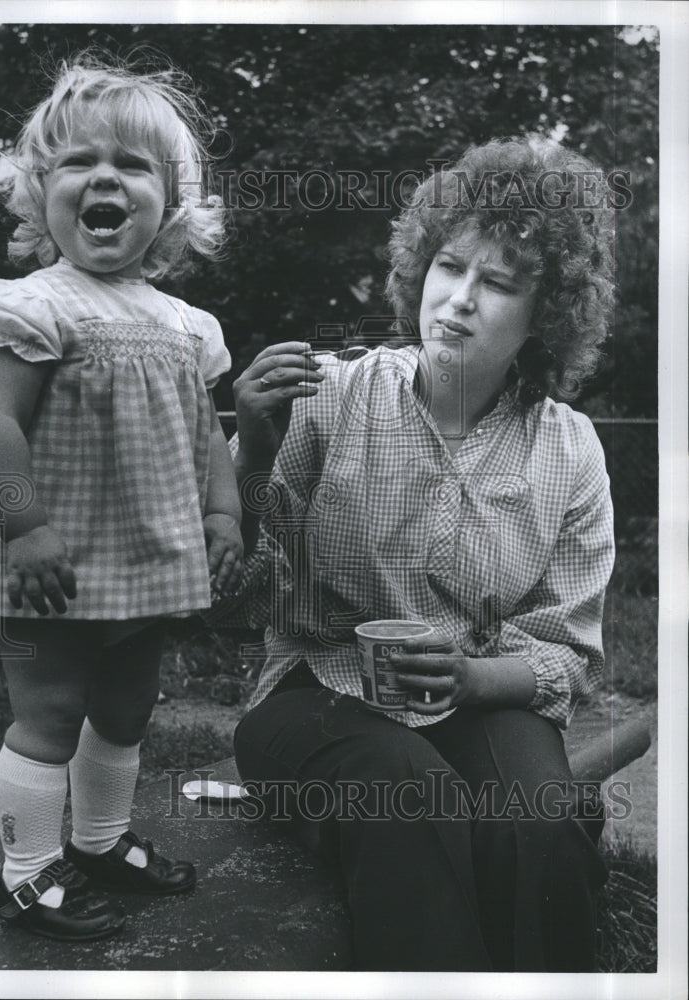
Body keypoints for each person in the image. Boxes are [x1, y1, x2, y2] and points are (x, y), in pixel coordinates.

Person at [226, 136, 616, 971]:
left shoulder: (571, 449)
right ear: (419, 269)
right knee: (411, 799)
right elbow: (236, 595)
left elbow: (568, 656)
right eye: (448, 267)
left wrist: (475, 679)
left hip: (480, 695)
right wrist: (253, 454)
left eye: (499, 283)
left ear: (545, 313)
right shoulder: (327, 401)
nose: (459, 301)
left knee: (540, 821)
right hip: (313, 691)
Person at [0, 55, 243, 941]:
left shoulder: (186, 325)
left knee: (123, 707)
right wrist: (22, 525)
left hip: (147, 555)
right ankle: (28, 876)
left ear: (171, 206)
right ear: (42, 192)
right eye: (79, 162)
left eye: (134, 165)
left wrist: (222, 512)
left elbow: (202, 433)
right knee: (48, 712)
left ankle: (101, 841)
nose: (104, 177)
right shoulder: (31, 305)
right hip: (51, 560)